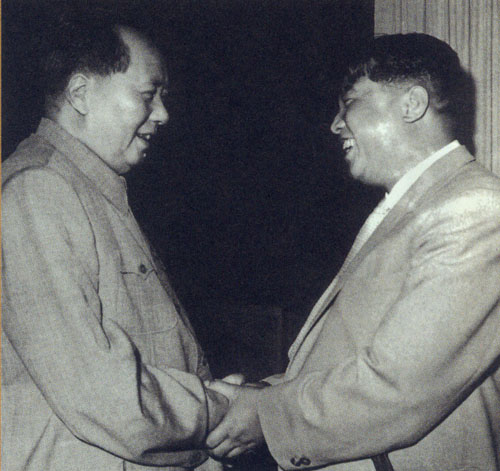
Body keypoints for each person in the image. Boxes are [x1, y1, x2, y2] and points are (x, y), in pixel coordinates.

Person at [204, 33, 500, 470]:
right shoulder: (417, 206)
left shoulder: (474, 208)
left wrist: (266, 415)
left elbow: (400, 386)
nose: (335, 124)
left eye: (350, 102)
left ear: (412, 104)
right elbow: (348, 360)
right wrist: (263, 394)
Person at [1, 13, 230, 471]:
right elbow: (99, 393)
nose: (162, 114)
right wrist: (219, 408)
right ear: (80, 94)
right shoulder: (38, 191)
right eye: (148, 95)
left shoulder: (91, 190)